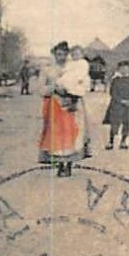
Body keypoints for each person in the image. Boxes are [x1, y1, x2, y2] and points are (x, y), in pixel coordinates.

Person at [38, 42, 85, 176]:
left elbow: (83, 83)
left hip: (71, 105)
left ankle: (69, 164)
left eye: (65, 54)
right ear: (54, 54)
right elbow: (40, 89)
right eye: (59, 54)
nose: (62, 57)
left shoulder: (74, 68)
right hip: (54, 106)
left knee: (71, 134)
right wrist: (53, 88)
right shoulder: (47, 70)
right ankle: (60, 165)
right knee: (57, 135)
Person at [102, 59, 129, 150]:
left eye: (126, 68)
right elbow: (113, 92)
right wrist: (120, 101)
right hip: (117, 105)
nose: (124, 70)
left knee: (127, 123)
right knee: (114, 122)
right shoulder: (116, 80)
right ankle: (111, 141)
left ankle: (123, 141)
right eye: (122, 69)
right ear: (119, 69)